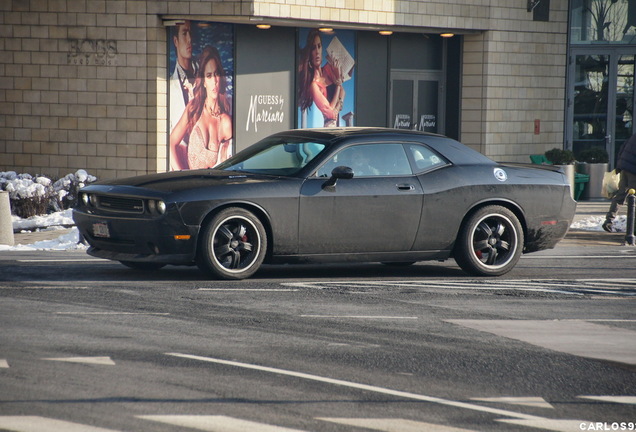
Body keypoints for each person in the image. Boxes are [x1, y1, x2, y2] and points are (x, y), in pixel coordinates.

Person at [170, 46, 232, 169]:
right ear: (203, 81)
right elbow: (171, 143)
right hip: (189, 183)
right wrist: (180, 176)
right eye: (209, 76)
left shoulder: (224, 122)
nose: (214, 81)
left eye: (217, 74)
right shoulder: (193, 109)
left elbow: (230, 163)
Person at [297, 29, 346, 127]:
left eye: (319, 46)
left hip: (338, 124)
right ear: (310, 53)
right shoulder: (313, 85)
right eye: (313, 48)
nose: (317, 52)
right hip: (329, 127)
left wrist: (338, 105)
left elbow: (343, 91)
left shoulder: (328, 69)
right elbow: (329, 113)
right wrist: (337, 84)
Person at [169, 21, 198, 170]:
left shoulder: (205, 74)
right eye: (184, 33)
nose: (189, 40)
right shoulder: (170, 87)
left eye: (191, 34)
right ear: (175, 41)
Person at [603, 132, 636, 232]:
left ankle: (609, 221)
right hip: (634, 171)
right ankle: (633, 229)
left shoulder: (633, 136)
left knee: (620, 196)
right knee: (633, 200)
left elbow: (622, 149)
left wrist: (619, 167)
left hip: (624, 169)